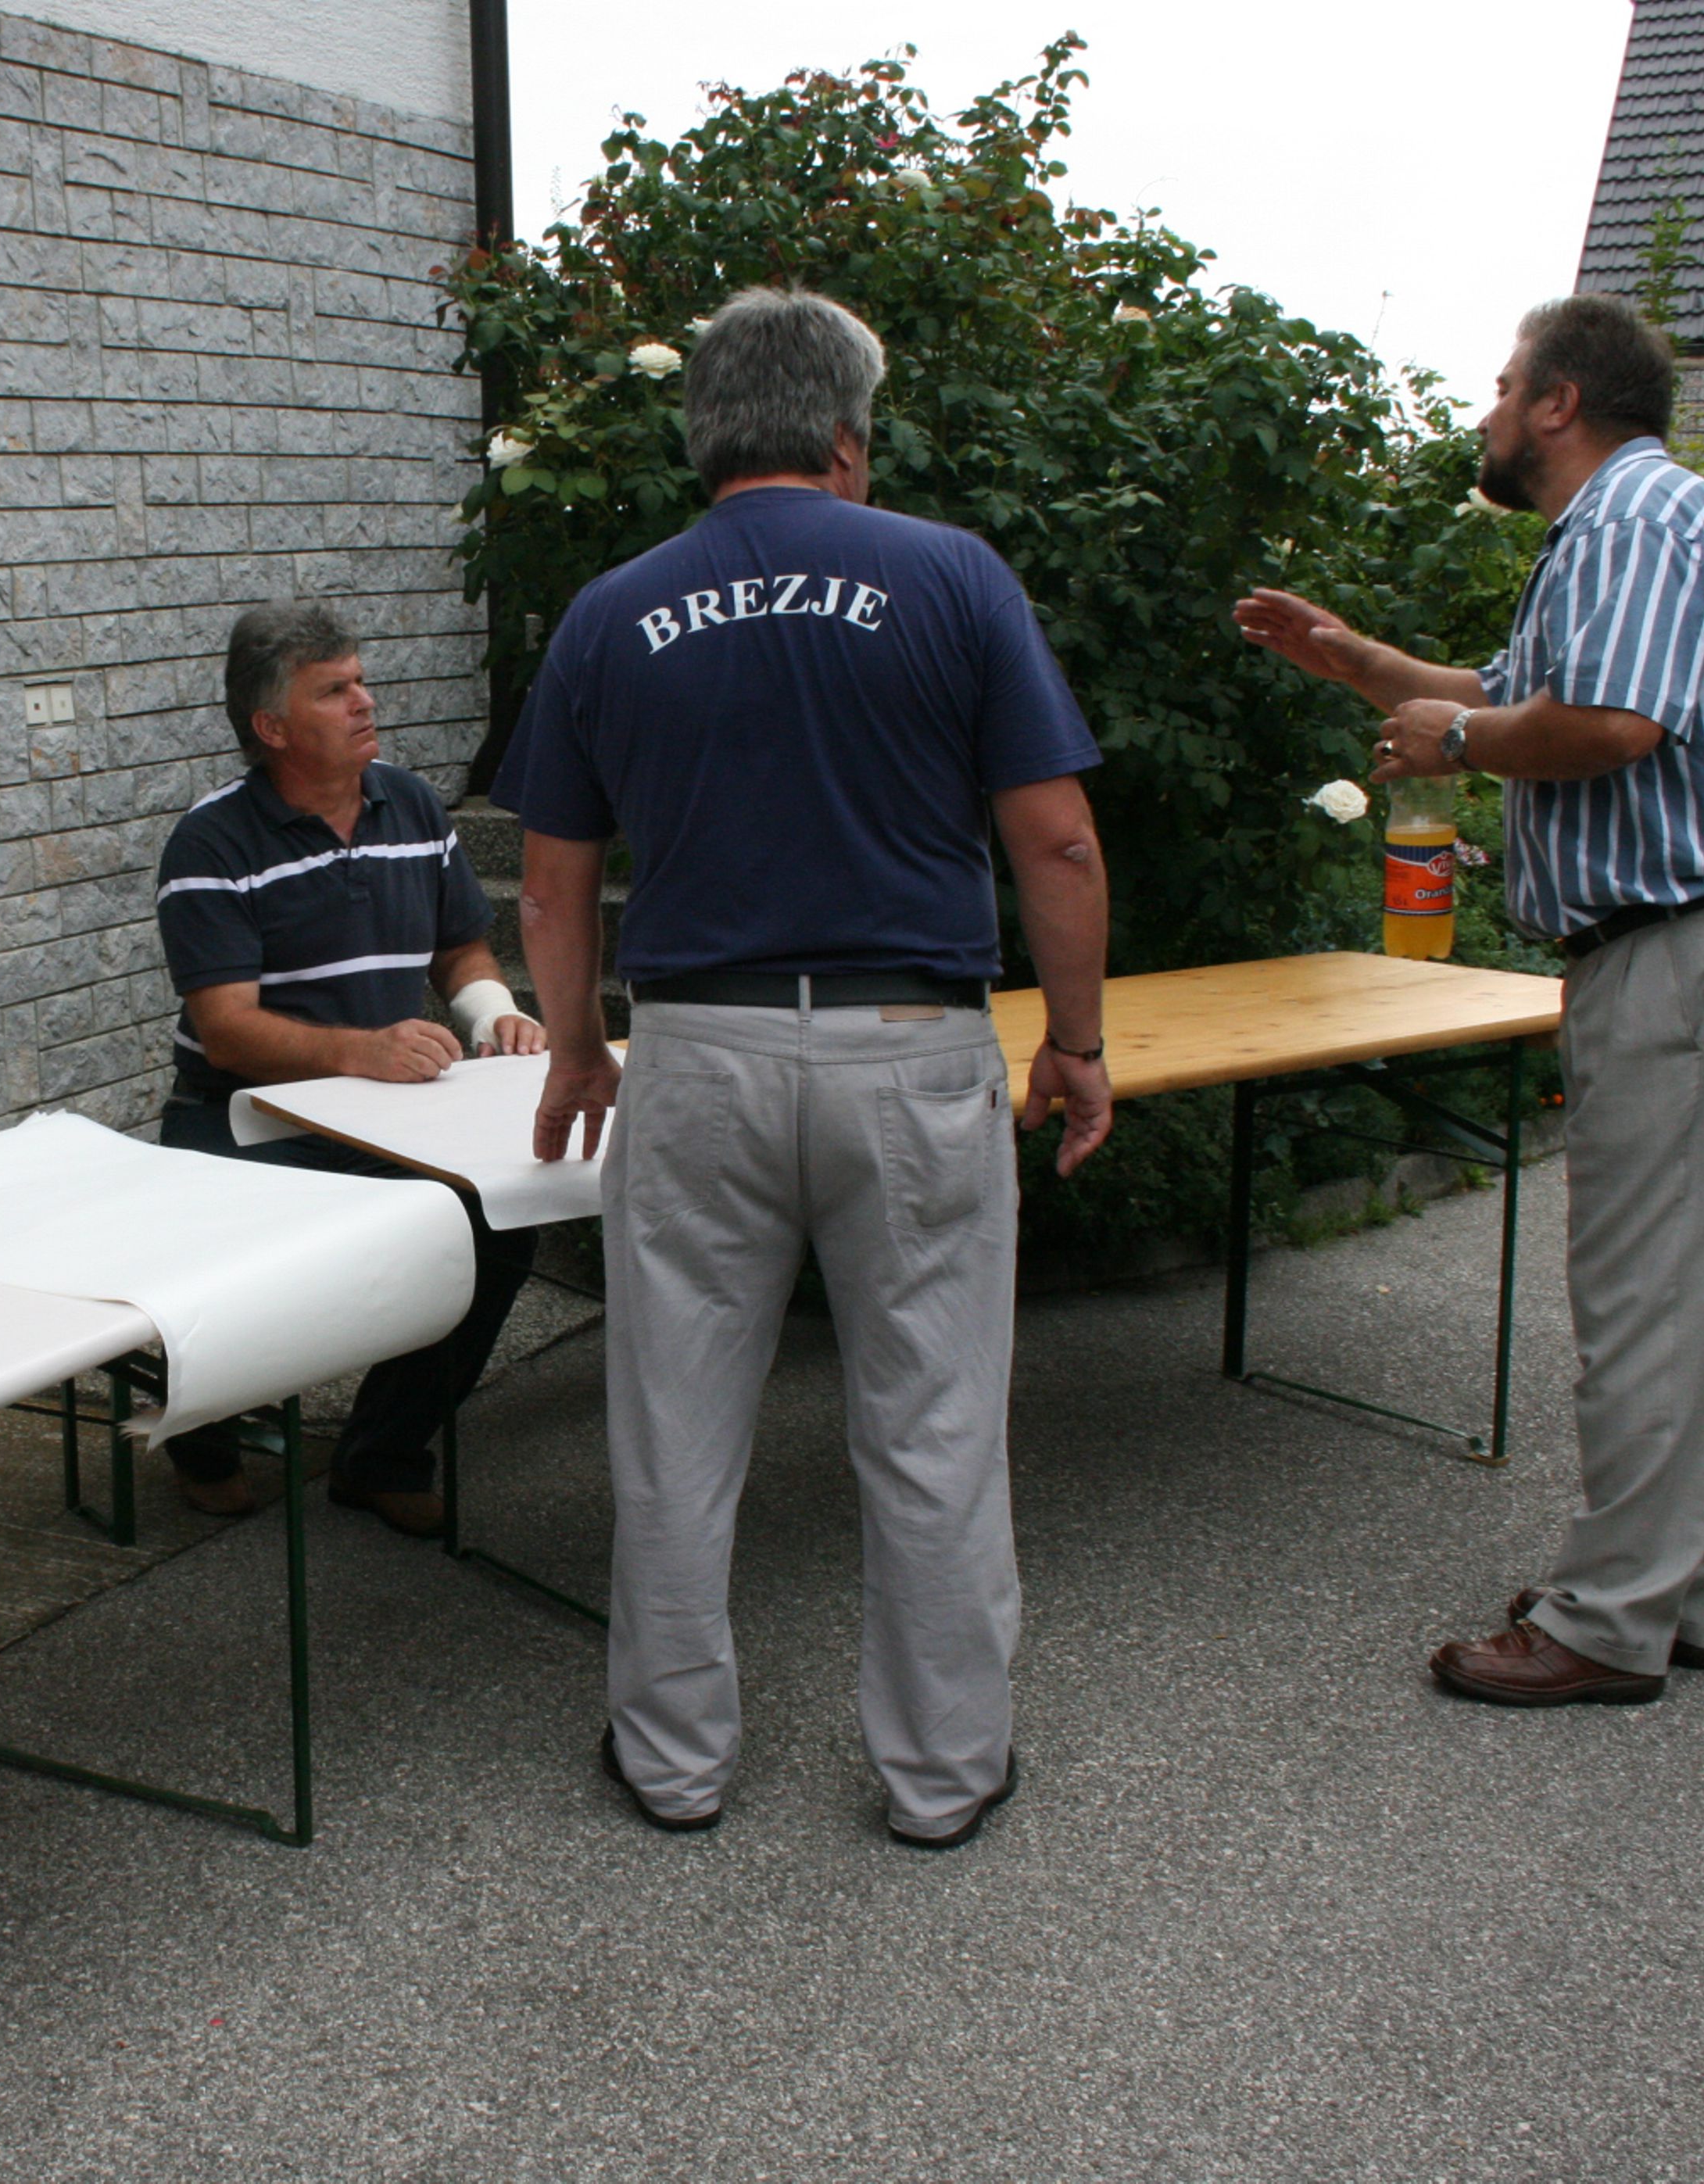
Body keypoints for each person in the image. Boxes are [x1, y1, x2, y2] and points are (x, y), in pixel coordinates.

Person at [500, 288, 1115, 1846]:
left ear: (703, 436)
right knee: (934, 1422)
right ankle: (942, 1773)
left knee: (674, 1423)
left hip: (697, 1054)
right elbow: (1055, 838)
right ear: (847, 440)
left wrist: (574, 1047)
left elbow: (554, 889)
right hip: (910, 1047)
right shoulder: (953, 576)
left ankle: (673, 1761)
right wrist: (1077, 1042)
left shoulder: (610, 613)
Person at [1233, 292, 1704, 1707]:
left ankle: (1611, 1617)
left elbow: (1605, 726)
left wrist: (1458, 735)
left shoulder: (1632, 522)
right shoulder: (1640, 521)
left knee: (1649, 1294)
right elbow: (1506, 694)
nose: (1492, 411)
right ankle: (1691, 1586)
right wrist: (1356, 661)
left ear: (1561, 401)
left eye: (1507, 387)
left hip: (1684, 949)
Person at [152, 600, 548, 1534]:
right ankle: (202, 1440)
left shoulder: (412, 805)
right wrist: (359, 1051)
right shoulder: (211, 843)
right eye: (335, 690)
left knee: (496, 1231)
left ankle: (380, 1455)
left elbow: (461, 948)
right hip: (246, 1115)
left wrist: (494, 1013)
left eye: (360, 681)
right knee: (236, 1281)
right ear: (273, 727)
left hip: (386, 1112)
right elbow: (226, 1032)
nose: (366, 702)